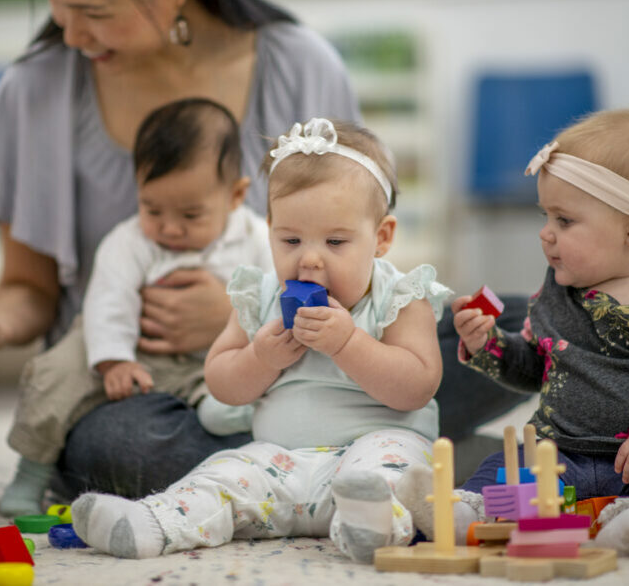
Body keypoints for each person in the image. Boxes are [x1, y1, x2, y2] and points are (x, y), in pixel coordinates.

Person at [0, 0, 526, 499]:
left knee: (526, 324)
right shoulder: (33, 90)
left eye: (94, 9)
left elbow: (350, 241)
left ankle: (353, 446)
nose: (69, 30)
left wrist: (282, 323)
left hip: (317, 359)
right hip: (141, 382)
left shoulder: (301, 65)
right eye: (54, 2)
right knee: (120, 446)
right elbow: (28, 286)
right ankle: (394, 453)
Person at [69, 118, 450, 563]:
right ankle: (154, 522)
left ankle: (371, 525)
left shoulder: (399, 297)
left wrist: (348, 343)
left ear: (381, 238)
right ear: (268, 227)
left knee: (389, 472)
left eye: (335, 241)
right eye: (290, 239)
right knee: (223, 474)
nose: (309, 259)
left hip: (374, 445)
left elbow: (417, 387)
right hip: (280, 462)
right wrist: (261, 357)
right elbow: (222, 383)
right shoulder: (261, 295)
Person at [396, 108, 629, 559]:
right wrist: (487, 343)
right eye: (546, 216)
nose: (546, 234)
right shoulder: (560, 289)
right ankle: (469, 514)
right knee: (508, 463)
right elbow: (536, 368)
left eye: (564, 221)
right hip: (557, 459)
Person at [0, 97, 269, 515]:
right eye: (152, 208)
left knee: (247, 390)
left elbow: (276, 295)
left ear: (235, 195)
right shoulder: (129, 241)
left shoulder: (258, 238)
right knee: (57, 374)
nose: (169, 227)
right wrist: (113, 361)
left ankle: (225, 416)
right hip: (131, 351)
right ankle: (31, 472)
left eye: (191, 214)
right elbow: (108, 302)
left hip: (209, 362)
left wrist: (236, 322)